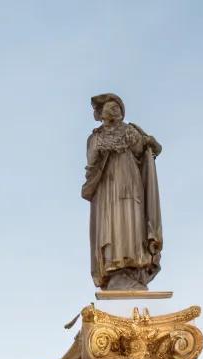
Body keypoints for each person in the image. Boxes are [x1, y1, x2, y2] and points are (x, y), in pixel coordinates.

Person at [82, 92, 163, 291]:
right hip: (108, 191)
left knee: (132, 224)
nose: (114, 110)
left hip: (131, 186)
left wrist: (149, 142)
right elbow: (92, 161)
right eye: (110, 107)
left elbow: (147, 148)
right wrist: (102, 145)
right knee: (112, 225)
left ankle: (134, 269)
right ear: (101, 114)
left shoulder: (130, 131)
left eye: (117, 107)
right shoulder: (96, 137)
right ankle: (114, 271)